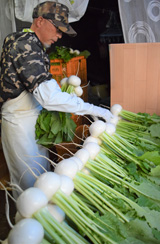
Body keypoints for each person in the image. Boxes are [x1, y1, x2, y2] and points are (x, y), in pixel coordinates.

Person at [0, 1, 113, 199]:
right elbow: (48, 97)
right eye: (57, 30)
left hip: (31, 119)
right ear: (40, 21)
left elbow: (42, 86)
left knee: (41, 178)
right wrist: (93, 109)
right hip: (19, 123)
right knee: (29, 185)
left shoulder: (33, 44)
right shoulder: (23, 44)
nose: (59, 36)